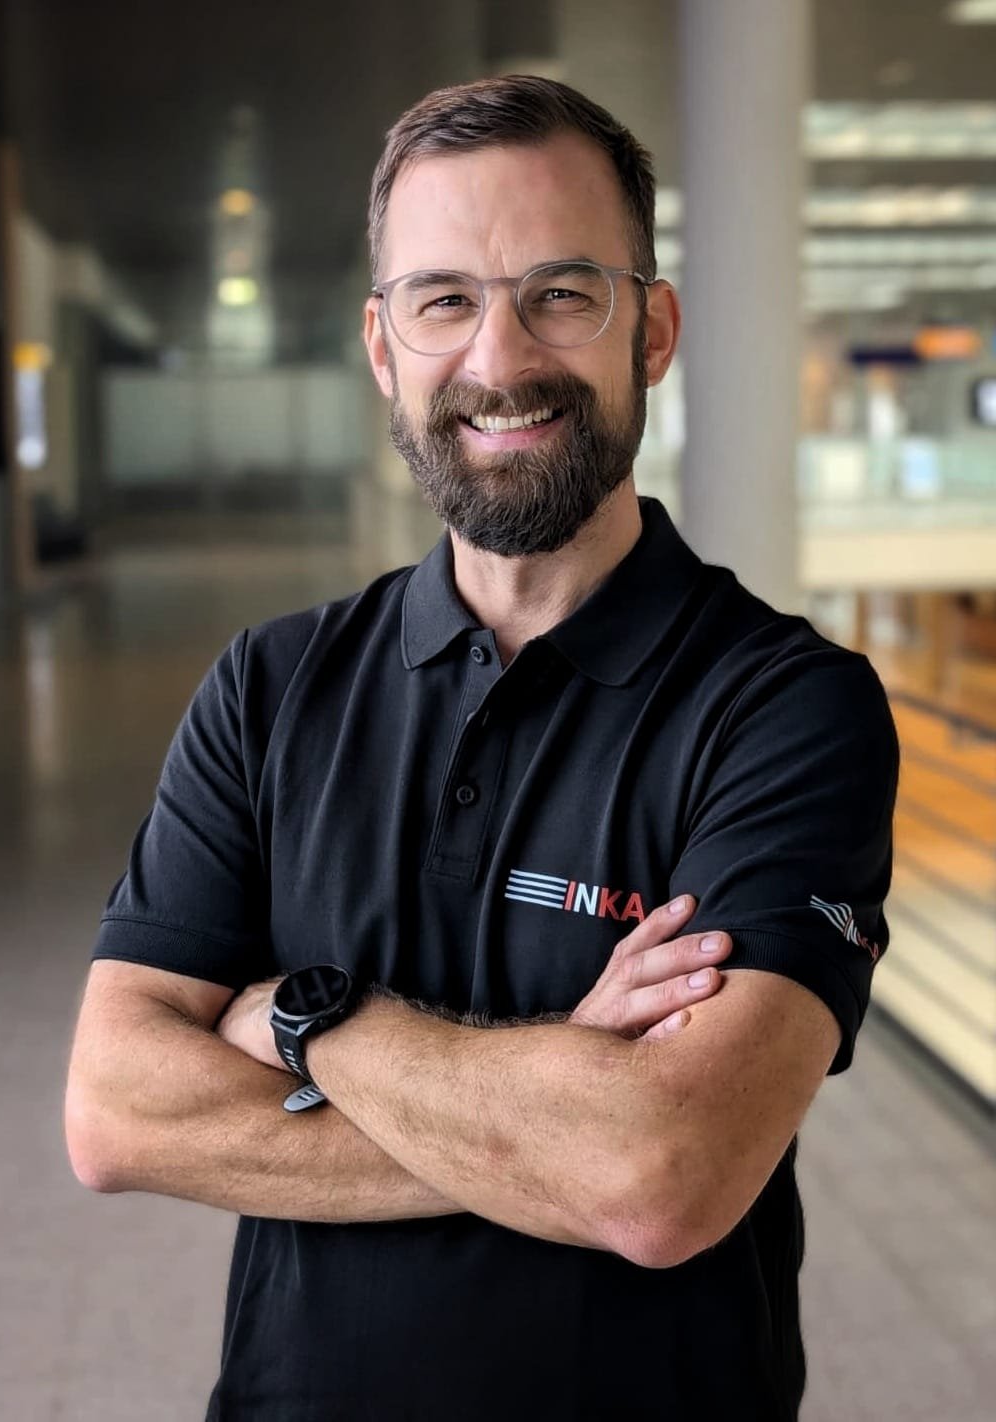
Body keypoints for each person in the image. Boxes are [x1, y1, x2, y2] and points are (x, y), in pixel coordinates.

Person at [65, 75, 898, 1422]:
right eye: (443, 299)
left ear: (654, 329)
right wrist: (559, 1101)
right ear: (382, 345)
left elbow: (665, 1176)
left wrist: (307, 1020)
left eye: (561, 292)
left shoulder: (787, 708)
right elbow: (115, 1110)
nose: (499, 360)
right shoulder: (270, 686)